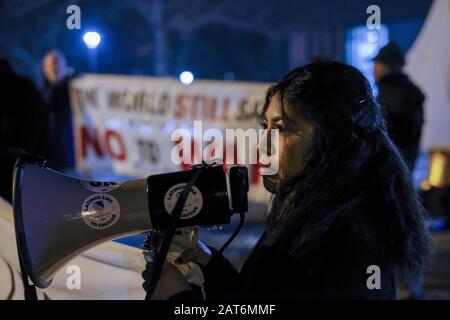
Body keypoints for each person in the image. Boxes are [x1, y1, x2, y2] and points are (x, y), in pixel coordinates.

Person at [142, 61, 432, 299]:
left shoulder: (343, 237)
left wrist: (178, 299)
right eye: (265, 126)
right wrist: (213, 268)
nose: (263, 144)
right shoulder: (313, 210)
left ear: (333, 139)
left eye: (281, 129)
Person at [0, 58, 49, 202]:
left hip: (18, 164)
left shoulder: (21, 90)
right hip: (28, 164)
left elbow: (33, 126)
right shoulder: (27, 88)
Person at [373, 43, 425, 170]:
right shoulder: (406, 90)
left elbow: (391, 130)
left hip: (392, 164)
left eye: (379, 64)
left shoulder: (395, 92)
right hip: (399, 163)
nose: (375, 68)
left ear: (387, 66)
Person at [41, 50, 75, 170]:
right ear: (44, 69)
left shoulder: (74, 90)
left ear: (64, 65)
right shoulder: (41, 94)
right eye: (50, 65)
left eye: (56, 63)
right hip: (48, 156)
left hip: (71, 156)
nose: (53, 68)